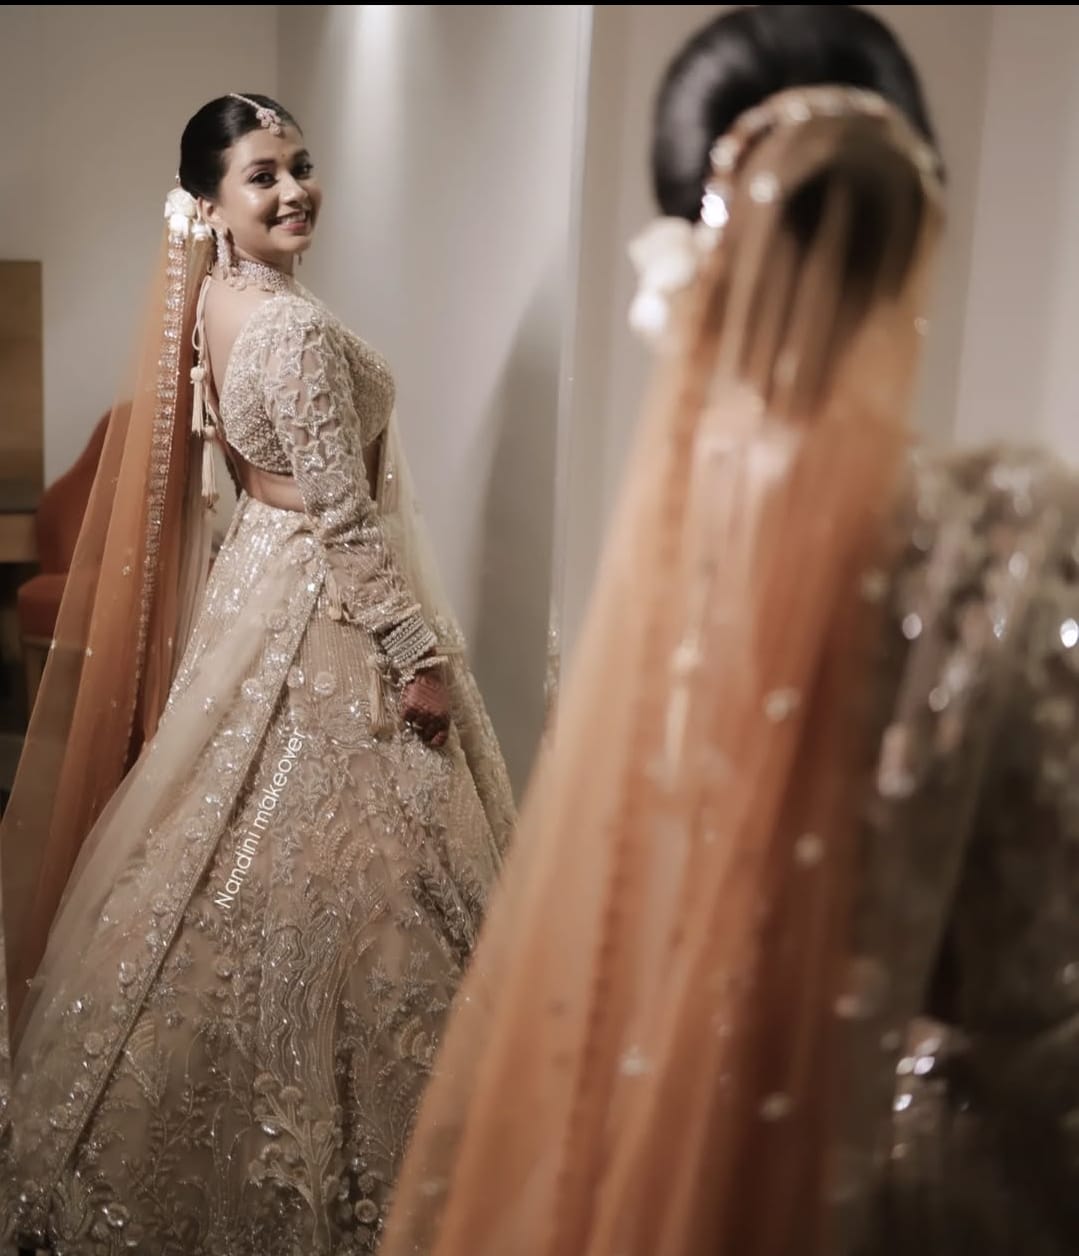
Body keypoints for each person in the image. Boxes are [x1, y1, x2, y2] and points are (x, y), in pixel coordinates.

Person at [379, 8, 1078, 1256]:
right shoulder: (1012, 535)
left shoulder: (674, 563)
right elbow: (1041, 954)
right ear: (917, 222)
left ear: (691, 260)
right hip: (945, 1174)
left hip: (687, 1141)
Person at [0, 92, 514, 1253]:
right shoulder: (282, 325)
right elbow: (340, 510)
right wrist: (414, 654)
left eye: (299, 165)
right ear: (213, 204)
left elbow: (252, 473)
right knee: (371, 872)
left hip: (261, 577)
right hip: (323, 603)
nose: (293, 190)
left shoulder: (219, 300)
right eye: (262, 176)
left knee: (231, 846)